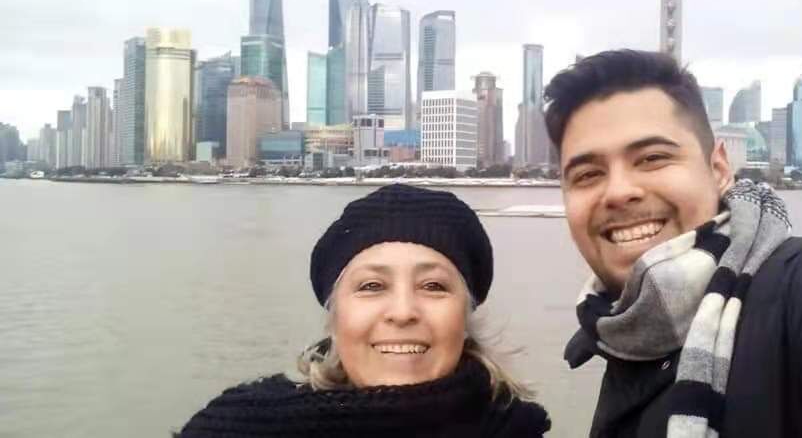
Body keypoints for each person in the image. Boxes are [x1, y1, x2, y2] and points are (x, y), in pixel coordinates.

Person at [545, 49, 802, 437]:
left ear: (719, 168)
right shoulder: (621, 337)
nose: (618, 191)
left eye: (652, 158)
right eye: (587, 174)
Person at [177, 184, 550, 437]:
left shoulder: (517, 429)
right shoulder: (235, 427)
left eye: (433, 286)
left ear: (465, 317)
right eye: (372, 286)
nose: (403, 312)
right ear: (334, 315)